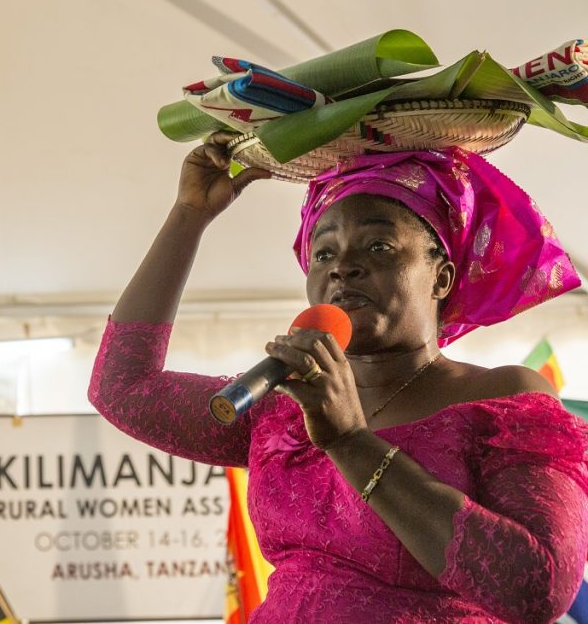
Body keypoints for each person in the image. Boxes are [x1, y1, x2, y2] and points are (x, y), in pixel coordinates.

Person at [88, 132, 588, 623]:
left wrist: (350, 442)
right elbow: (124, 387)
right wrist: (189, 216)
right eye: (324, 253)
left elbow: (538, 588)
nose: (343, 267)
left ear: (441, 278)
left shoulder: (503, 398)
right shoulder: (284, 405)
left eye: (379, 247)